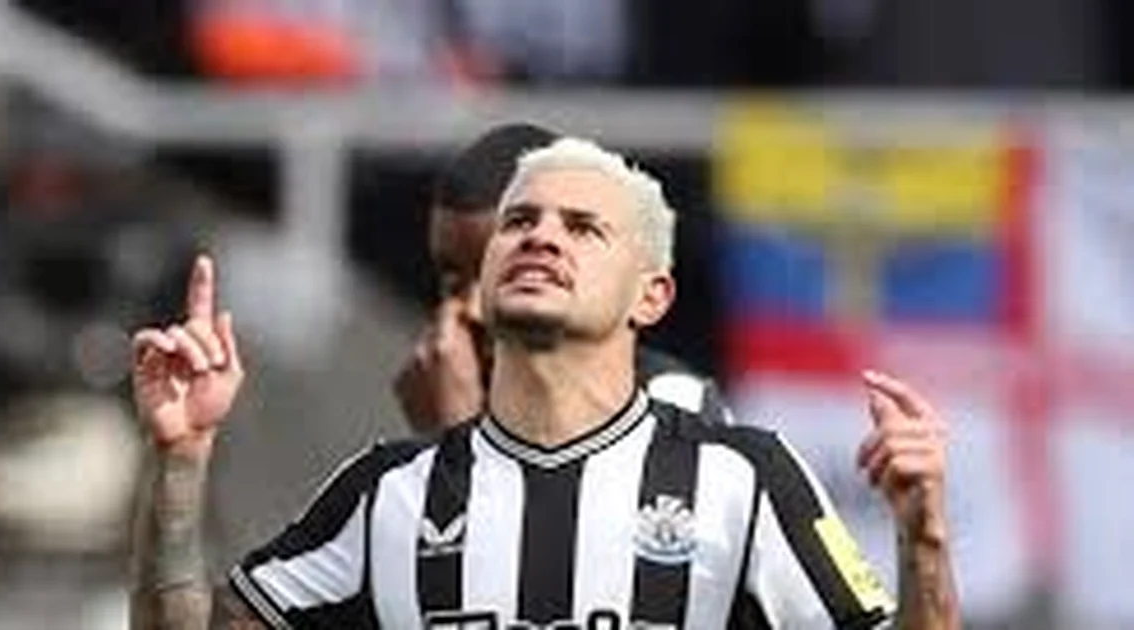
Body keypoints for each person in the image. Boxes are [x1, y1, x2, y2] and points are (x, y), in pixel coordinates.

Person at [129, 136, 959, 628]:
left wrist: (923, 539)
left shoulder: (741, 477)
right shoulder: (388, 492)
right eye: (520, 222)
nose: (541, 238)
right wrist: (181, 458)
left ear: (651, 296)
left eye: (583, 227)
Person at [393, 122, 730, 435]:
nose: (473, 309)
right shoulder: (438, 391)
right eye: (453, 282)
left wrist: (454, 429)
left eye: (516, 273)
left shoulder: (672, 403)